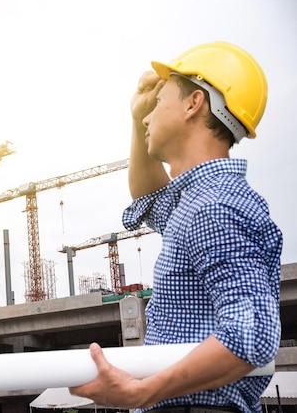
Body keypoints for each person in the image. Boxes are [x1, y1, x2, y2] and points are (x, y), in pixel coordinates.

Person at [69, 41, 283, 413]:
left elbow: (252, 335)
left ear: (192, 103)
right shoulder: (198, 200)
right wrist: (137, 121)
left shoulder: (213, 207)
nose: (150, 117)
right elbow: (150, 199)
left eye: (159, 101)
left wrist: (143, 392)